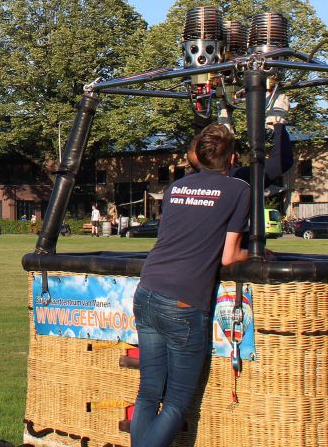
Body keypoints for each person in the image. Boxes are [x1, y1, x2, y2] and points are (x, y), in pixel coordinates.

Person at [130, 123, 255, 447]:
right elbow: (228, 256)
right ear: (231, 158)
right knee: (175, 403)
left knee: (148, 394)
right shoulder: (238, 190)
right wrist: (254, 253)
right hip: (184, 301)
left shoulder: (177, 188)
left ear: (198, 155)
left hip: (147, 289)